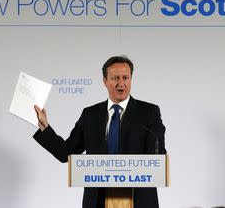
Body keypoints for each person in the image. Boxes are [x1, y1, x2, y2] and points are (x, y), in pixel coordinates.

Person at [33, 56, 167, 208]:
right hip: (98, 199)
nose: (121, 83)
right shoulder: (90, 115)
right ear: (105, 81)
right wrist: (45, 127)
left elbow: (158, 157)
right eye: (115, 78)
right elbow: (66, 153)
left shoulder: (148, 112)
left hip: (137, 198)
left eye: (126, 78)